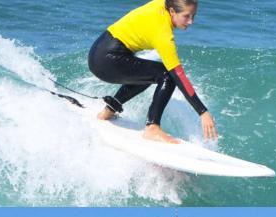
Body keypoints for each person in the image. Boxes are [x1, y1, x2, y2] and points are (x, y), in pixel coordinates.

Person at [88, 0, 217, 143]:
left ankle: (108, 111)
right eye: (186, 16)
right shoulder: (163, 34)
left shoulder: (162, 4)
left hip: (99, 52)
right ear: (172, 12)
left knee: (149, 73)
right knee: (167, 76)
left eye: (194, 16)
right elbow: (179, 76)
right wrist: (203, 112)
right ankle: (152, 127)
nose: (191, 21)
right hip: (108, 60)